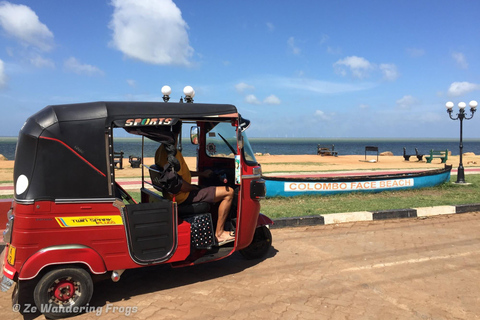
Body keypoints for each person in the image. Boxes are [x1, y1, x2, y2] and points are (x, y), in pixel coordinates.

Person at [155, 123, 235, 245]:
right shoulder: (171, 154)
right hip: (183, 196)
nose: (177, 137)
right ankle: (219, 233)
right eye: (176, 133)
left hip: (174, 194)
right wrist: (195, 188)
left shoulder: (161, 151)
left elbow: (180, 174)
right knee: (229, 192)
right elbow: (180, 184)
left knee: (208, 189)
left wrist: (201, 174)